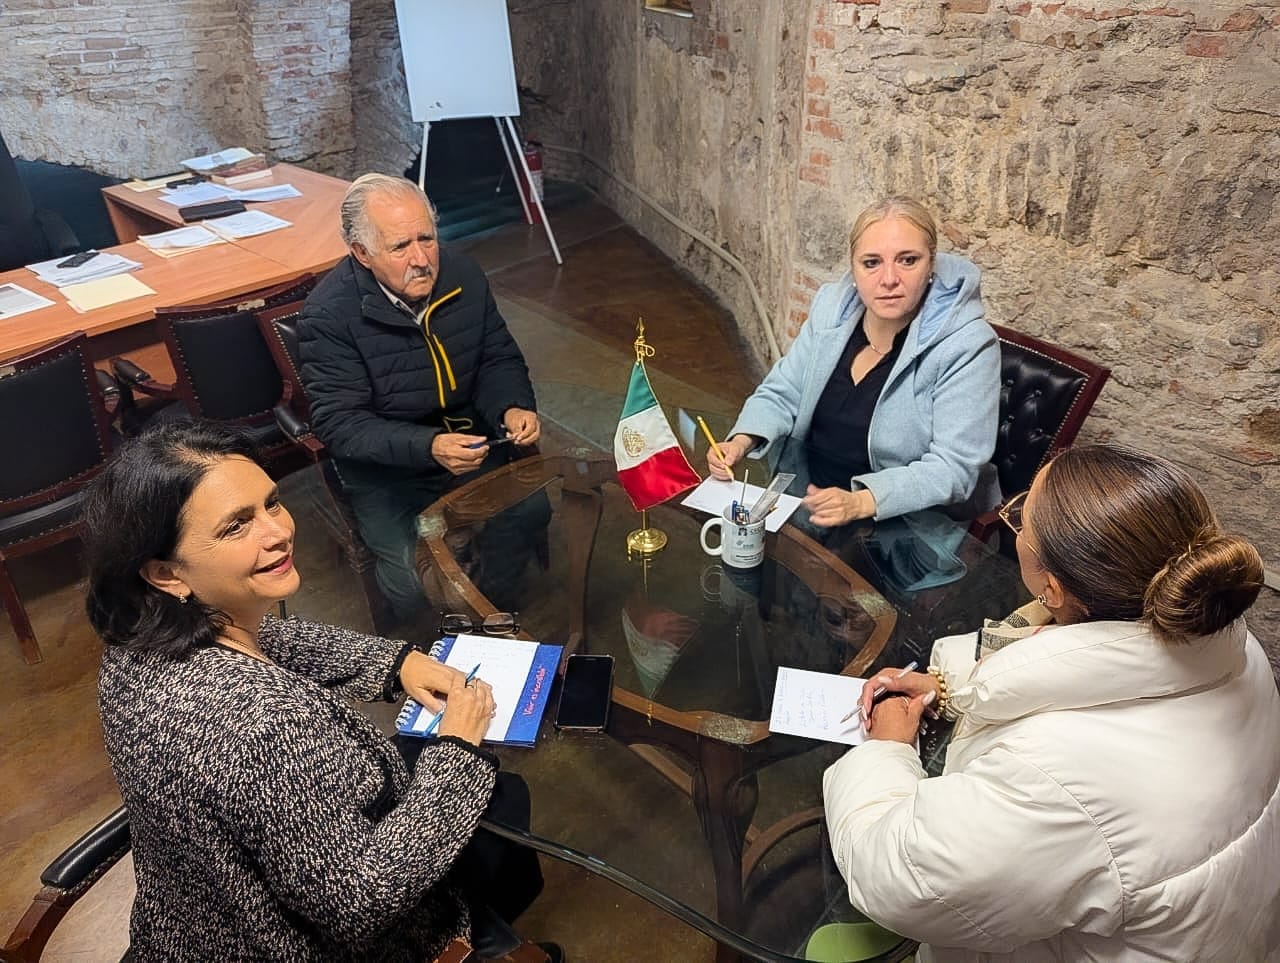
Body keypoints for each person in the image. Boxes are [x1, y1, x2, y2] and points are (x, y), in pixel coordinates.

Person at [85, 421, 554, 961]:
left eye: (271, 503)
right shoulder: (259, 726)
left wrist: (396, 662)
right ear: (167, 573)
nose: (277, 532)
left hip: (192, 929)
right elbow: (363, 898)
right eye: (236, 526)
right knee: (500, 800)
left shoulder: (136, 643)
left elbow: (269, 637)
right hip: (307, 946)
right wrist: (458, 750)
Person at [823, 443, 1280, 960]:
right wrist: (946, 688)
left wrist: (886, 749)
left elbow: (898, 879)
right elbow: (1070, 665)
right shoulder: (1230, 643)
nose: (1014, 519)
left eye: (1021, 518)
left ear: (1053, 589)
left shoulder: (1052, 776)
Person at [298, 172, 549, 621]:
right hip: (389, 470)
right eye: (400, 247)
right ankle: (442, 634)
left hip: (470, 440)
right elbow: (340, 424)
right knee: (410, 585)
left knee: (531, 511)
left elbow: (496, 356)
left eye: (427, 239)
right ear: (361, 253)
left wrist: (511, 405)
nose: (421, 260)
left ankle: (490, 613)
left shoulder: (463, 274)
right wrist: (428, 446)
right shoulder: (328, 315)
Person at [708, 196, 1000, 526]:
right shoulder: (831, 310)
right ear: (854, 268)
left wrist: (861, 502)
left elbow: (953, 467)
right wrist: (741, 441)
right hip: (806, 500)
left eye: (908, 260)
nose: (888, 279)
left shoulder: (968, 344)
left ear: (931, 263)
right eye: (871, 263)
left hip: (905, 524)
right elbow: (783, 391)